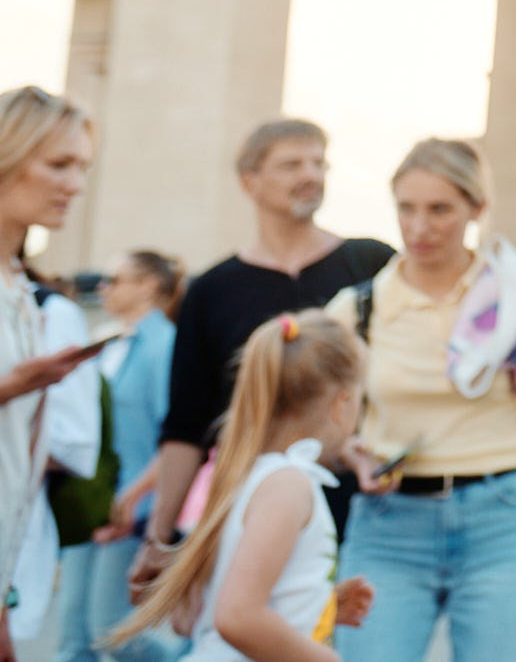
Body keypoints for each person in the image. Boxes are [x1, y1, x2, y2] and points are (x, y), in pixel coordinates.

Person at [331, 139, 516, 662]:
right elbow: (320, 427)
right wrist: (351, 454)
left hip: (504, 522)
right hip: (389, 527)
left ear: (477, 208)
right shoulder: (356, 309)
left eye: (439, 209)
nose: (419, 227)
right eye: (406, 208)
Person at [138, 120, 394, 598]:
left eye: (318, 163)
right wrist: (159, 538)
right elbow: (187, 426)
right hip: (257, 514)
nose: (310, 175)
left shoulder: (373, 265)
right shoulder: (212, 290)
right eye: (292, 164)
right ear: (249, 181)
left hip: (370, 515)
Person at [113, 313, 371, 660]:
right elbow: (237, 617)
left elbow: (195, 618)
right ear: (341, 404)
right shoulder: (288, 485)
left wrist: (321, 605)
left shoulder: (253, 476)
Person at [0, 85, 103, 661]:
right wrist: (14, 387)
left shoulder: (21, 289)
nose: (75, 185)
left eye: (82, 168)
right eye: (60, 165)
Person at [57, 249, 184, 662]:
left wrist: (132, 497)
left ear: (148, 286)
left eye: (114, 280)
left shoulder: (165, 346)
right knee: (73, 638)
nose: (103, 288)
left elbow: (177, 439)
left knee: (110, 632)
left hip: (130, 510)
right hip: (90, 503)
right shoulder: (113, 342)